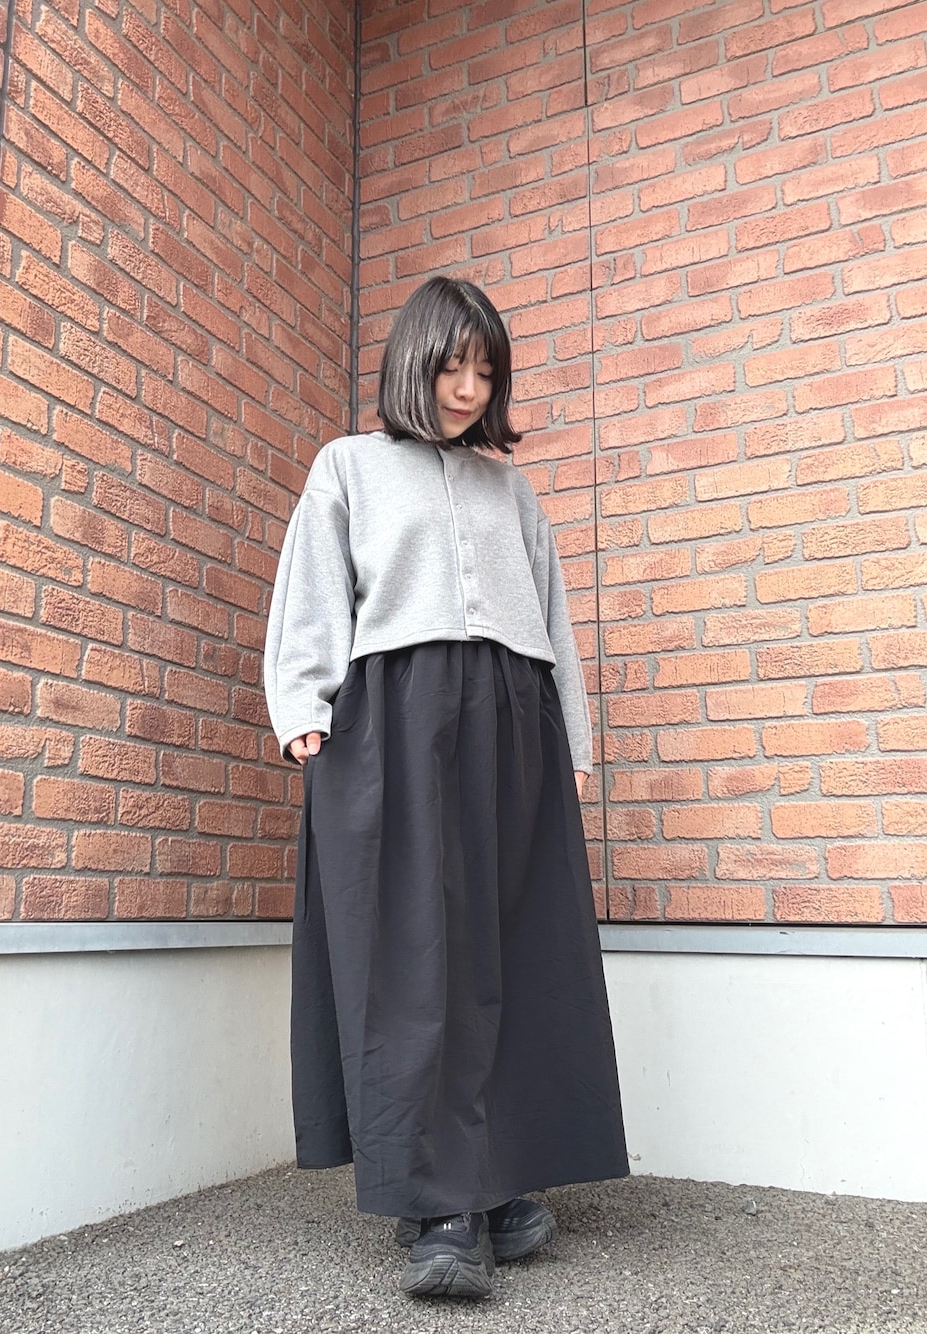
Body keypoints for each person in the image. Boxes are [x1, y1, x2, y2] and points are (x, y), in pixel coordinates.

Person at [263, 276, 628, 1300]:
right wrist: (302, 704)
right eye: (451, 365)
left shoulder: (512, 491)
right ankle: (442, 1207)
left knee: (510, 947)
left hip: (513, 722)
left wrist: (574, 739)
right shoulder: (348, 466)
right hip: (396, 719)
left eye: (485, 370)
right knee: (414, 957)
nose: (468, 388)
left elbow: (552, 621)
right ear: (412, 363)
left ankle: (495, 1178)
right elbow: (311, 590)